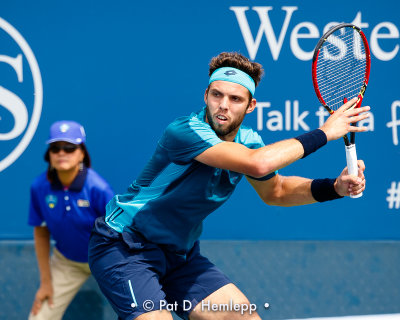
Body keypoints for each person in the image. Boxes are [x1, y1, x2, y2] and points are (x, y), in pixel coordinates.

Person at [88, 52, 370, 320]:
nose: (223, 104)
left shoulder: (249, 140)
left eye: (235, 99)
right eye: (216, 94)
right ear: (206, 96)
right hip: (125, 246)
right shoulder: (184, 131)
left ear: (250, 106)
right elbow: (258, 164)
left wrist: (334, 187)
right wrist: (325, 132)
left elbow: (277, 191)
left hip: (180, 257)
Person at [28, 120, 114, 320]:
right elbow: (41, 231)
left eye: (69, 148)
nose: (61, 153)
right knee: (39, 317)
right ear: (49, 155)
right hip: (67, 262)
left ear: (82, 153)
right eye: (55, 148)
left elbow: (120, 233)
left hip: (106, 261)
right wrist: (46, 282)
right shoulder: (39, 187)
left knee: (141, 312)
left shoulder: (98, 189)